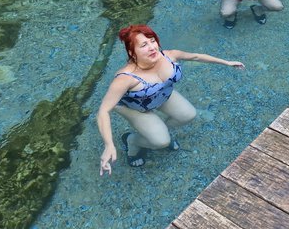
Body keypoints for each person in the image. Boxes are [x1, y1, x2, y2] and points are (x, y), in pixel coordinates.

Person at [97, 24, 244, 176]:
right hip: (134, 106)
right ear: (131, 51)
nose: (152, 47)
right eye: (144, 45)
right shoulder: (125, 78)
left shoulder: (169, 55)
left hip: (160, 94)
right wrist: (108, 144)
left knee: (188, 115)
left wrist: (226, 62)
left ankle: (156, 133)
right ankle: (132, 141)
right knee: (161, 142)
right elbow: (103, 110)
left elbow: (195, 56)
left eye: (153, 41)